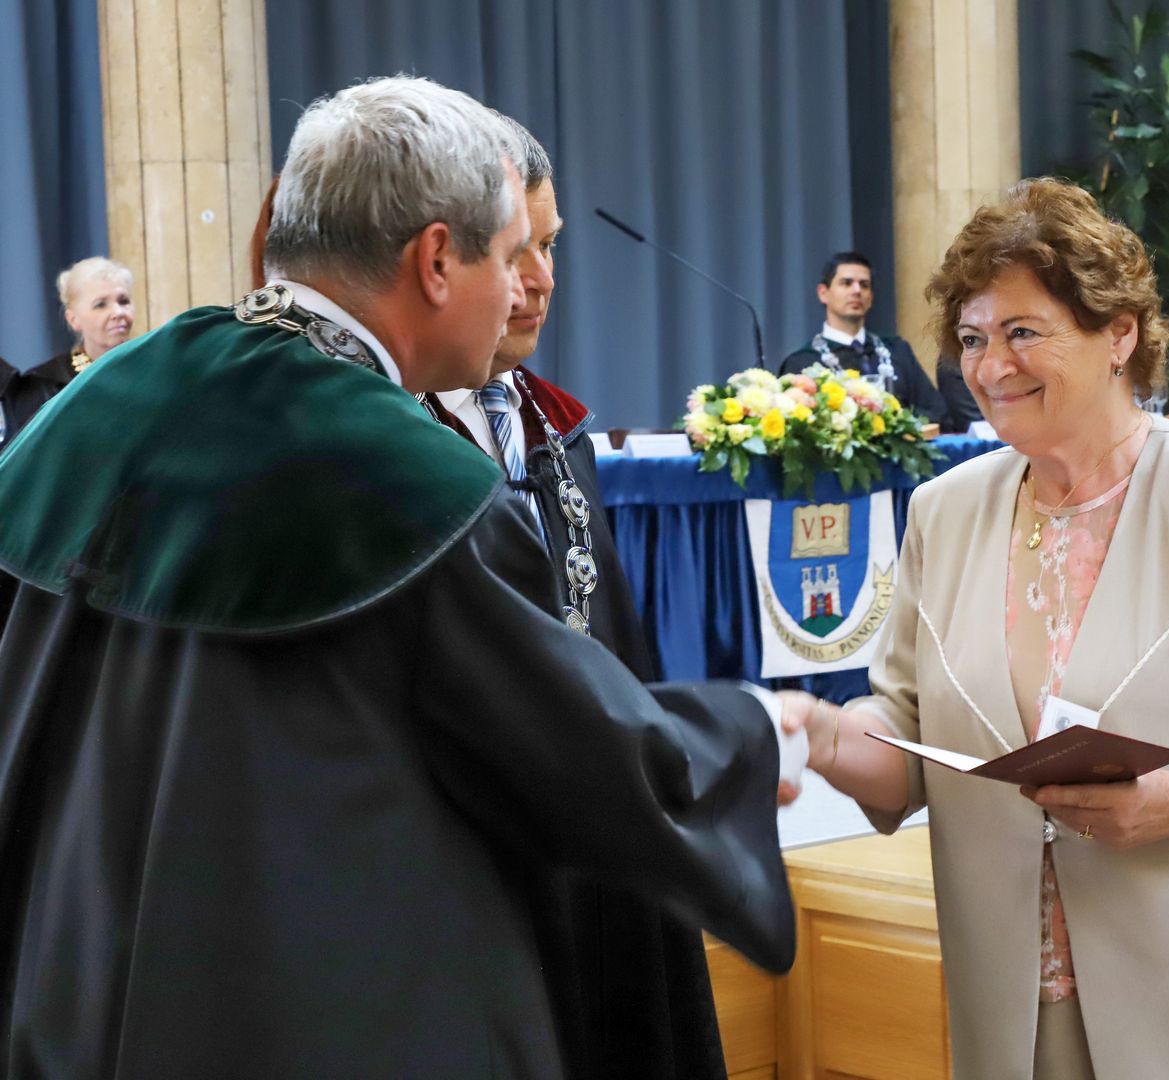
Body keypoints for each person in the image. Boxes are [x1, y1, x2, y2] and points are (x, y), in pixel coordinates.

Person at [0, 75, 810, 1078]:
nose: (521, 291)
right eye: (508, 256)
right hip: (303, 1006)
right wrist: (766, 731)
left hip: (73, 987)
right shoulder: (399, 479)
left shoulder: (113, 396)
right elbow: (577, 751)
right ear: (436, 260)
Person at [783, 178, 1169, 1078]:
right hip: (1017, 1009)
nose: (992, 367)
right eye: (972, 339)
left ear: (1120, 335)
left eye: (1023, 332)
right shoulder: (944, 511)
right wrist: (825, 735)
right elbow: (910, 739)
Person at [418, 117, 729, 1079]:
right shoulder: (390, 447)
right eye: (519, 252)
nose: (543, 280)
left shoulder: (556, 432)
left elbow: (611, 644)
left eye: (550, 248)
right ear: (441, 260)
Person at [778, 251, 945, 420]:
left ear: (870, 298)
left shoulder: (898, 352)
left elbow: (937, 414)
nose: (857, 290)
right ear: (823, 293)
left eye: (864, 285)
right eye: (846, 283)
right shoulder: (802, 362)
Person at [0, 257, 134, 449]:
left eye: (123, 301)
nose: (118, 312)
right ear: (73, 320)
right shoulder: (46, 387)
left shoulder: (155, 370)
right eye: (100, 305)